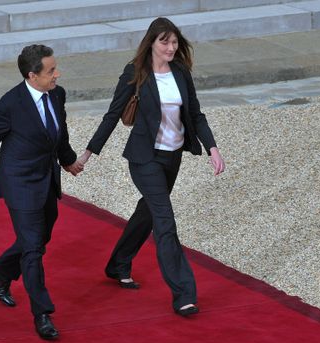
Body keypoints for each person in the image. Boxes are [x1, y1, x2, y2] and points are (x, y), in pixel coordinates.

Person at [78, 17, 225, 317]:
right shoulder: (135, 73)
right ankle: (184, 294)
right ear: (152, 42)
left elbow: (195, 114)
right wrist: (88, 153)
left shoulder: (181, 73)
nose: (171, 48)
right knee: (164, 220)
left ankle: (118, 263)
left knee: (148, 211)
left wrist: (212, 148)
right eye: (165, 42)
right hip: (144, 158)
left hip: (173, 157)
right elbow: (112, 115)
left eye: (174, 42)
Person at [0, 44, 83, 340]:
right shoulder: (9, 104)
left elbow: (59, 131)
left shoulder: (57, 94)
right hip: (19, 182)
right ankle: (42, 314)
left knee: (41, 237)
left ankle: (0, 270)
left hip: (47, 178)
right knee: (33, 248)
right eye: (51, 71)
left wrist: (67, 161)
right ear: (32, 75)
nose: (57, 74)